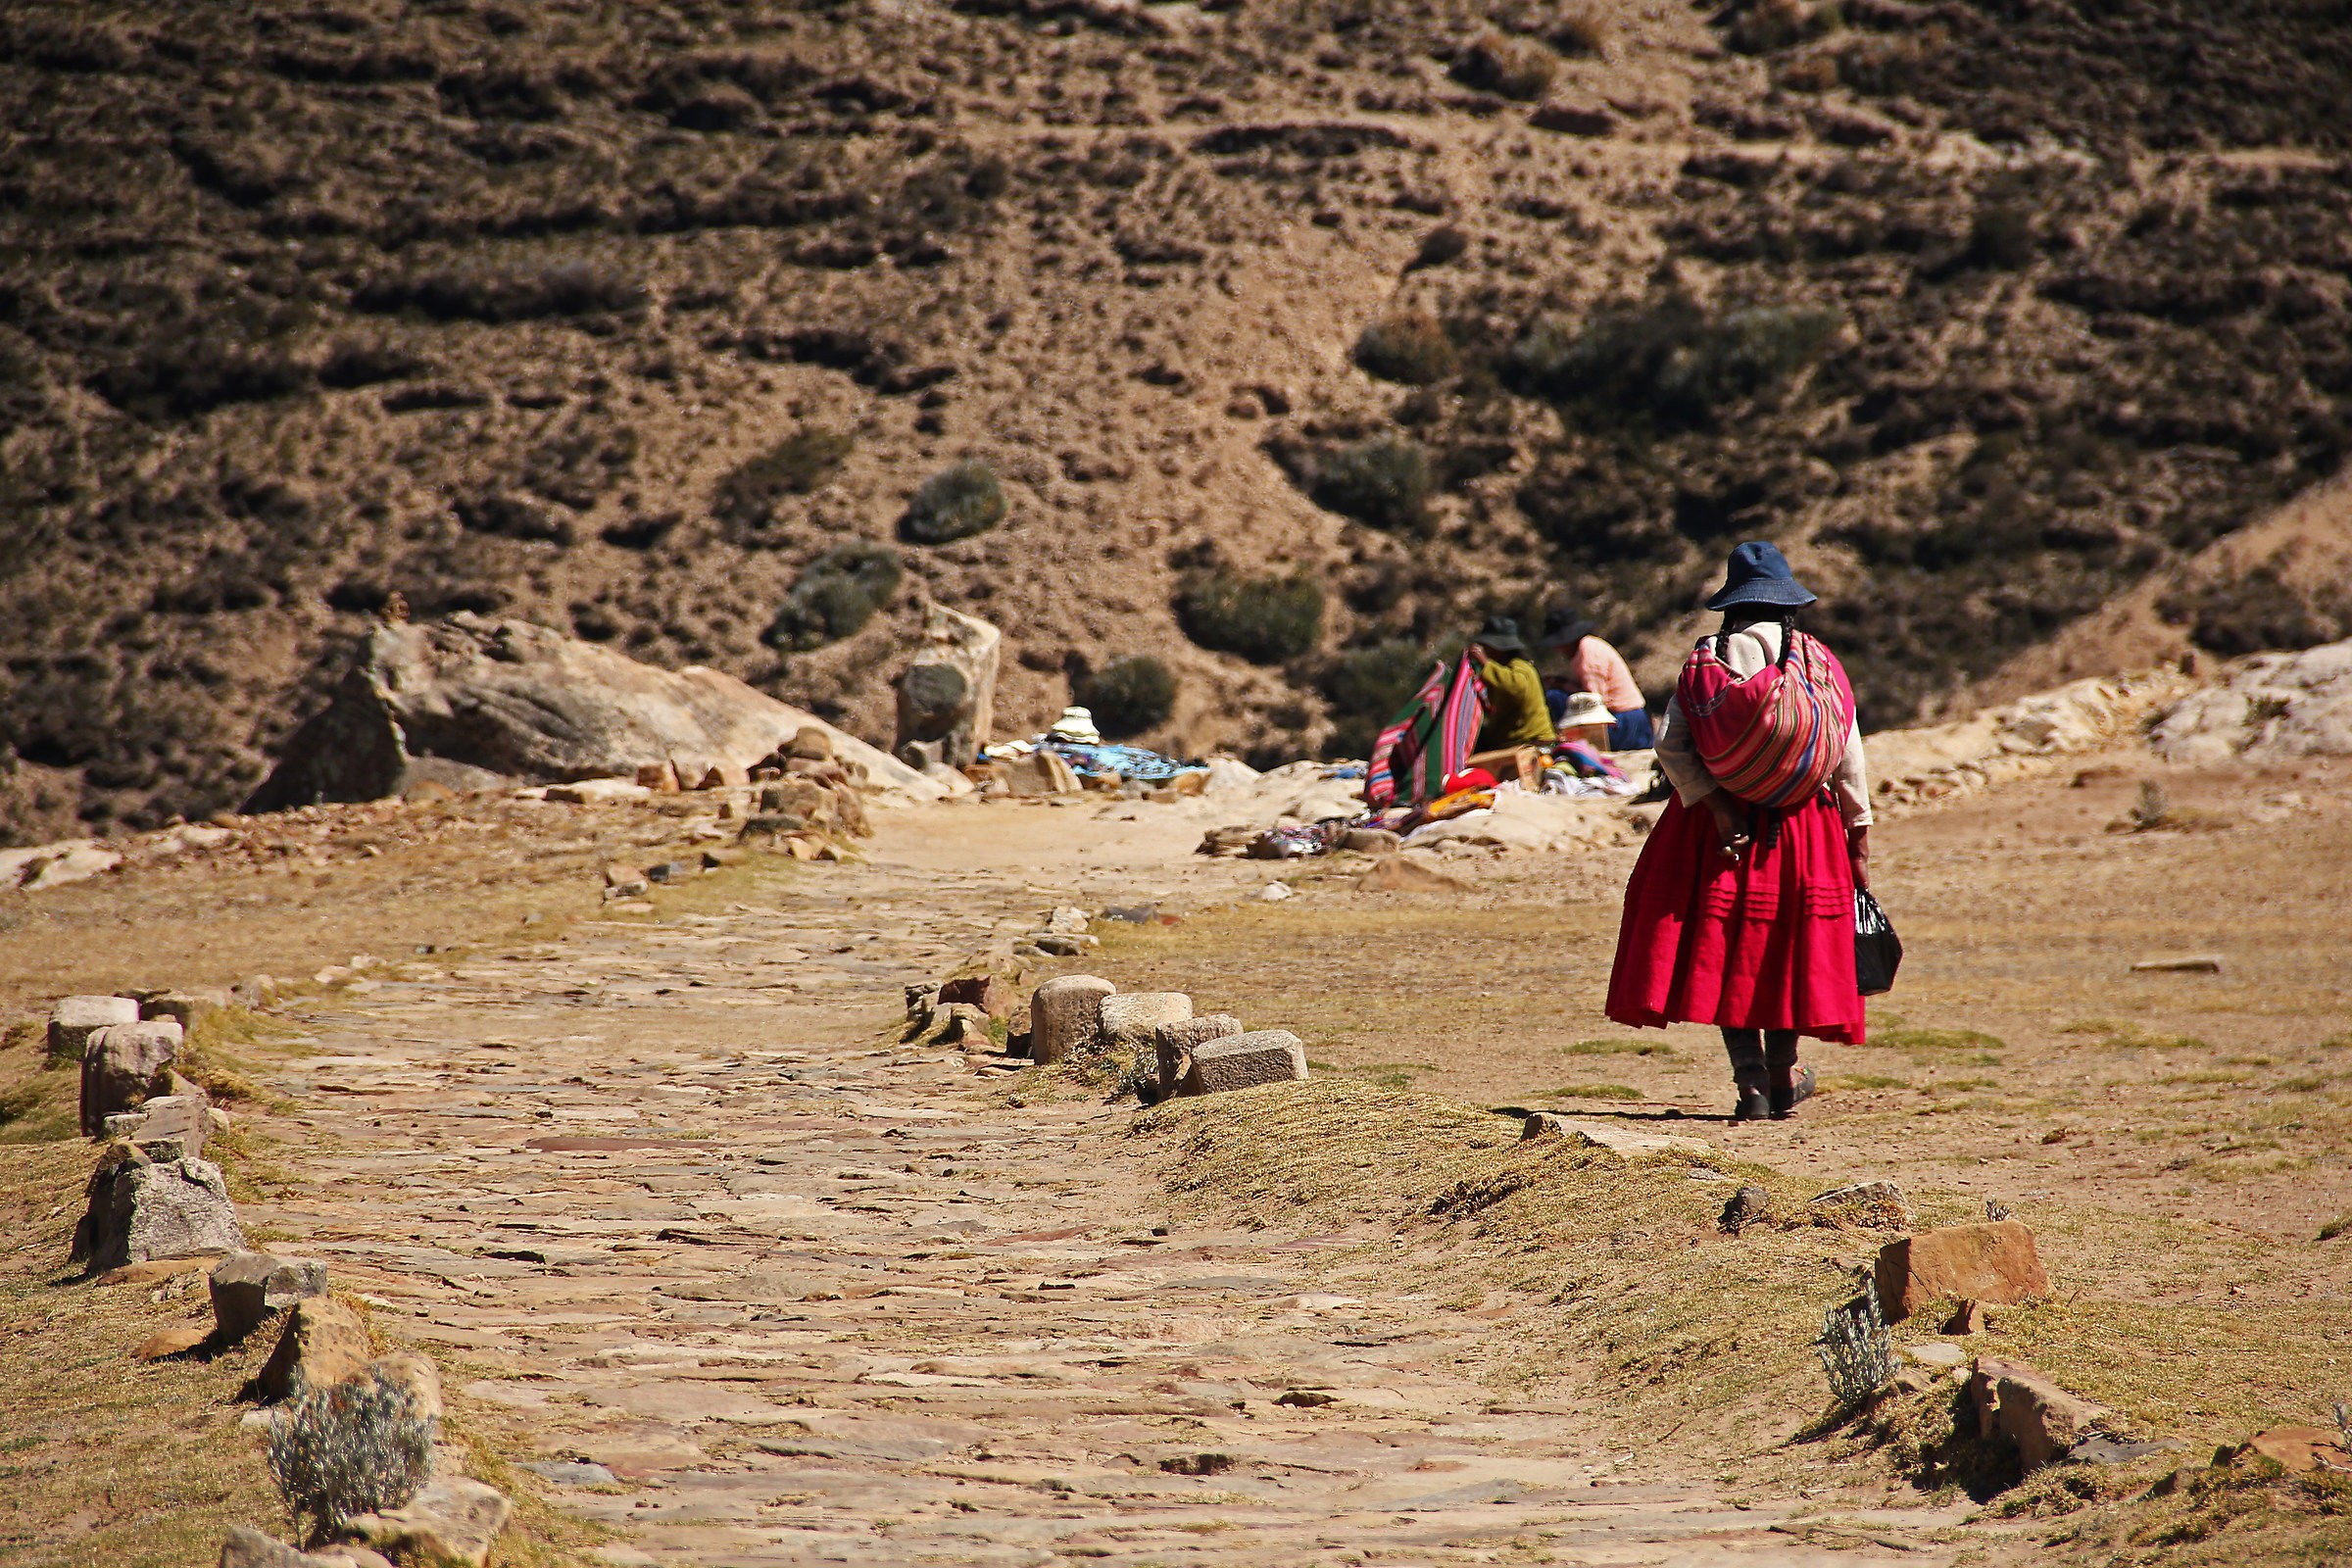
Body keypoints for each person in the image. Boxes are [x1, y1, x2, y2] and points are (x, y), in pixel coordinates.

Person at [1602, 542, 1872, 1122]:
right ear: (1787, 604)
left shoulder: (1711, 658)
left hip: (1723, 830)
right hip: (1804, 826)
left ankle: (1750, 1086)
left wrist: (1719, 805)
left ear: (1733, 604)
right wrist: (1858, 831)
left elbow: (1671, 743)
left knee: (1730, 952)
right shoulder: (1819, 663)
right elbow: (1847, 751)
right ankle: (1783, 1075)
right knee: (1785, 950)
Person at [1535, 608, 1654, 751]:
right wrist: (1563, 683)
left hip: (1624, 721)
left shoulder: (1588, 655)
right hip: (1632, 720)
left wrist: (1562, 686)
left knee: (1555, 697)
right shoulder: (1588, 646)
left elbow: (1593, 701)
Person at [1467, 615, 1555, 753]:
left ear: (1498, 649)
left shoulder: (1520, 667)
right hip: (1512, 742)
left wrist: (1486, 664)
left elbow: (1515, 687)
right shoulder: (1498, 672)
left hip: (1532, 741)